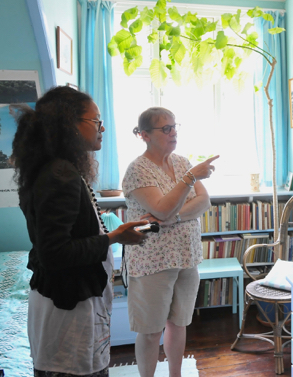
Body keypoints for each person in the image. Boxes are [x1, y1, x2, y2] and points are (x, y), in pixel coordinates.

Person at [12, 86, 148, 377]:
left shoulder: (60, 170)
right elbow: (55, 253)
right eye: (95, 120)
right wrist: (114, 237)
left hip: (70, 303)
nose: (102, 128)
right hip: (67, 309)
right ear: (69, 125)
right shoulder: (60, 175)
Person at [122, 107, 218, 377]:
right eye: (165, 128)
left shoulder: (182, 162)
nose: (173, 132)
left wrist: (173, 218)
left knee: (179, 324)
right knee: (151, 332)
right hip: (152, 262)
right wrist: (189, 182)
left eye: (174, 126)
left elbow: (203, 202)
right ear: (144, 135)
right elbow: (161, 209)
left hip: (187, 256)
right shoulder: (137, 170)